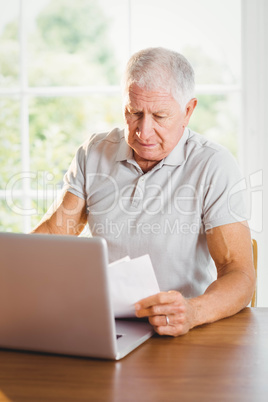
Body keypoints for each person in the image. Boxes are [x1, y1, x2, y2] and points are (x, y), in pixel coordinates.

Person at [32, 47, 255, 337]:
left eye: (160, 116)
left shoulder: (213, 164)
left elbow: (239, 272)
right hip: (103, 326)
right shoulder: (95, 152)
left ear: (188, 111)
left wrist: (193, 312)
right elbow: (54, 233)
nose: (143, 132)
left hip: (183, 332)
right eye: (134, 112)